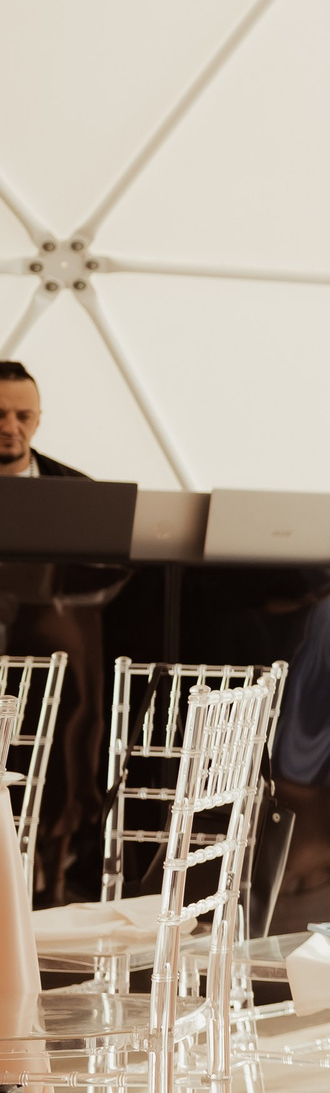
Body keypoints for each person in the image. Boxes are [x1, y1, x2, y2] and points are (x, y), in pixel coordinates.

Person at [0, 360, 117, 911]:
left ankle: (59, 858)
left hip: (51, 655)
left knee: (78, 665)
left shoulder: (78, 494)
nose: (11, 427)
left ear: (40, 419)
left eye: (24, 415)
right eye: (0, 414)